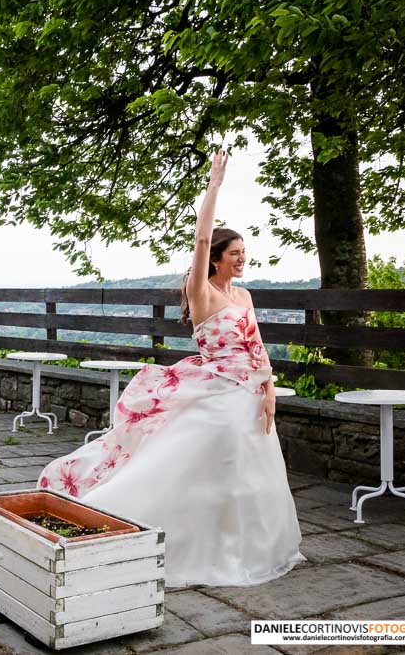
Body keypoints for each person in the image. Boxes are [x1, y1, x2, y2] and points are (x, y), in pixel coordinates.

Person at [37, 152, 304, 588]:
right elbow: (200, 240)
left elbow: (258, 347)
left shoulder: (245, 297)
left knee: (249, 475)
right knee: (209, 468)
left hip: (253, 396)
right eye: (234, 253)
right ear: (215, 258)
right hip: (219, 392)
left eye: (244, 253)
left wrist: (270, 388)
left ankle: (241, 549)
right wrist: (214, 187)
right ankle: (129, 525)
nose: (242, 259)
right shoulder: (202, 294)